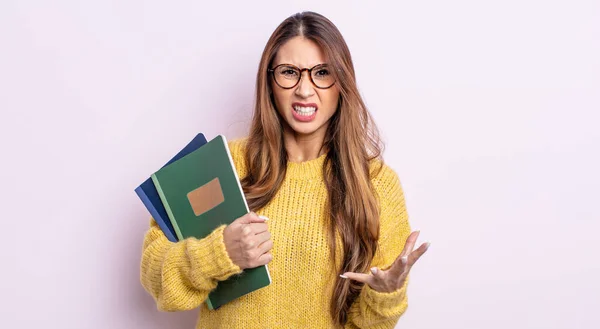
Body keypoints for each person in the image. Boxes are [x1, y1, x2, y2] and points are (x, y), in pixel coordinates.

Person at [140, 11, 429, 329]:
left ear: (341, 83)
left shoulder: (374, 183)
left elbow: (370, 324)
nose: (305, 90)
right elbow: (157, 278)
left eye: (322, 72)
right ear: (269, 81)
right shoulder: (225, 164)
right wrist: (220, 252)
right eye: (290, 72)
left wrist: (386, 295)